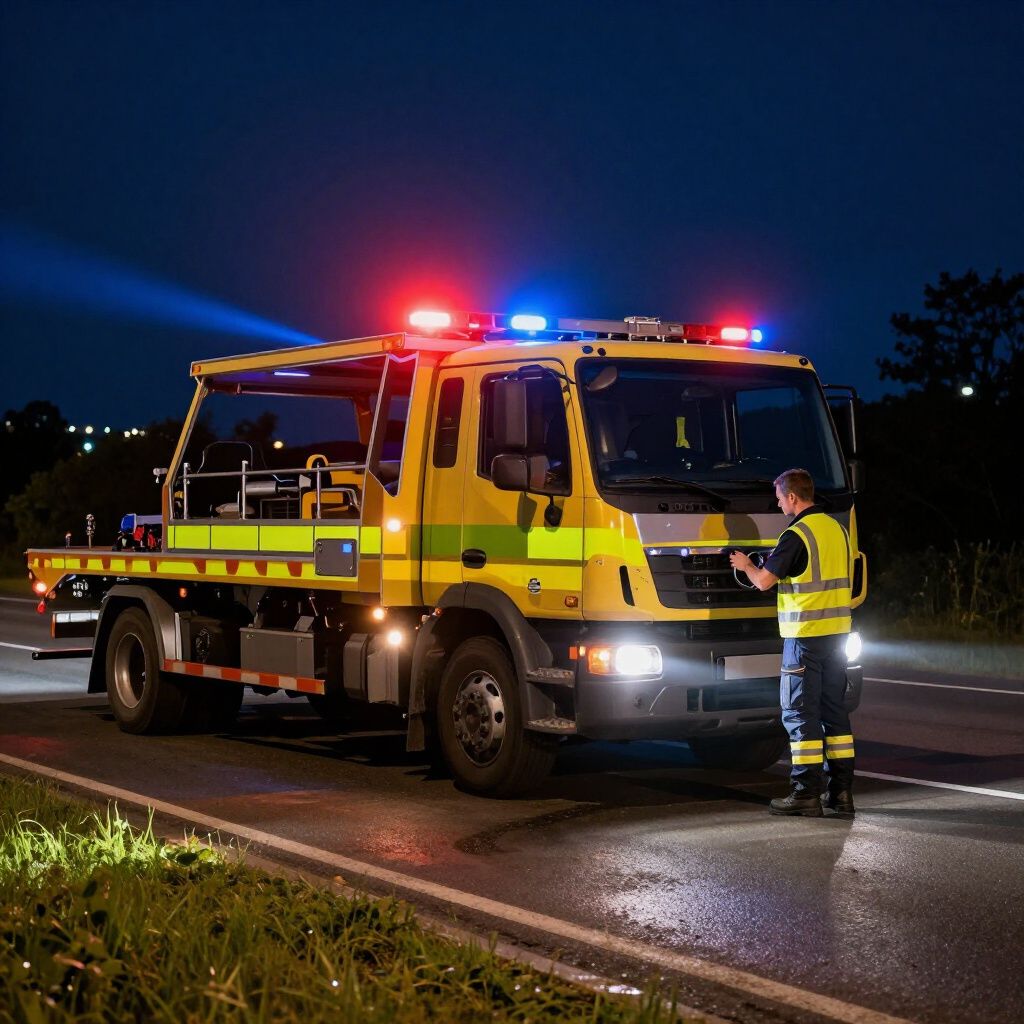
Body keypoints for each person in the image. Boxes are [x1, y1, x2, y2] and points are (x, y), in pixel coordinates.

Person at [729, 468, 855, 818]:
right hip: (838, 634)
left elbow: (764, 581)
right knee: (835, 713)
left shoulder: (797, 534)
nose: (779, 504)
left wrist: (745, 565)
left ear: (793, 497)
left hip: (805, 637)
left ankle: (805, 793)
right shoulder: (838, 529)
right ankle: (841, 794)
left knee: (800, 713)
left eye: (780, 498)